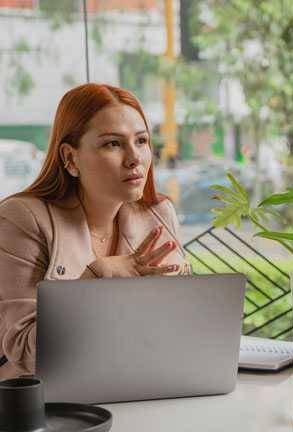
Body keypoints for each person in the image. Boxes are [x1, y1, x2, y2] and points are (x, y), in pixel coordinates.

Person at [0, 84, 188, 379]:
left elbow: (183, 327)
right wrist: (96, 276)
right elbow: (25, 352)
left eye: (141, 141)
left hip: (139, 382)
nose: (134, 158)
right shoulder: (24, 219)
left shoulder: (158, 214)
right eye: (113, 144)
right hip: (50, 401)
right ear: (70, 157)